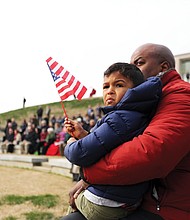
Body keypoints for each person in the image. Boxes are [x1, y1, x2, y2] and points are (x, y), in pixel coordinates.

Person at [61, 43, 190, 220]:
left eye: (138, 63)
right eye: (106, 86)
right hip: (142, 198)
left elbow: (151, 154)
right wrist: (84, 137)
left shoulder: (181, 95)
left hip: (169, 207)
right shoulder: (148, 101)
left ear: (164, 67)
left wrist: (89, 173)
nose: (131, 68)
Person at [63, 63, 162, 220]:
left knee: (73, 199)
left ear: (135, 89)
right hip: (126, 199)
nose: (110, 91)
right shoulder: (133, 115)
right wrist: (83, 134)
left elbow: (80, 154)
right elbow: (106, 146)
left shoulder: (121, 118)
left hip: (105, 203)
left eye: (119, 85)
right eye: (105, 86)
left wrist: (70, 144)